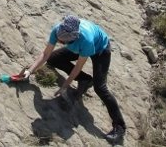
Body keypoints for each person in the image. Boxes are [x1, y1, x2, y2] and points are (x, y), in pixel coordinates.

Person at [19, 15, 126, 143]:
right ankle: (85, 80)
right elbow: (46, 54)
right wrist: (30, 71)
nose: (61, 43)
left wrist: (64, 86)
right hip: (79, 45)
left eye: (64, 42)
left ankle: (119, 127)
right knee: (53, 58)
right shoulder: (58, 30)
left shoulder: (86, 40)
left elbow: (78, 67)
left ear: (73, 38)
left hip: (100, 50)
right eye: (59, 40)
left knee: (100, 87)